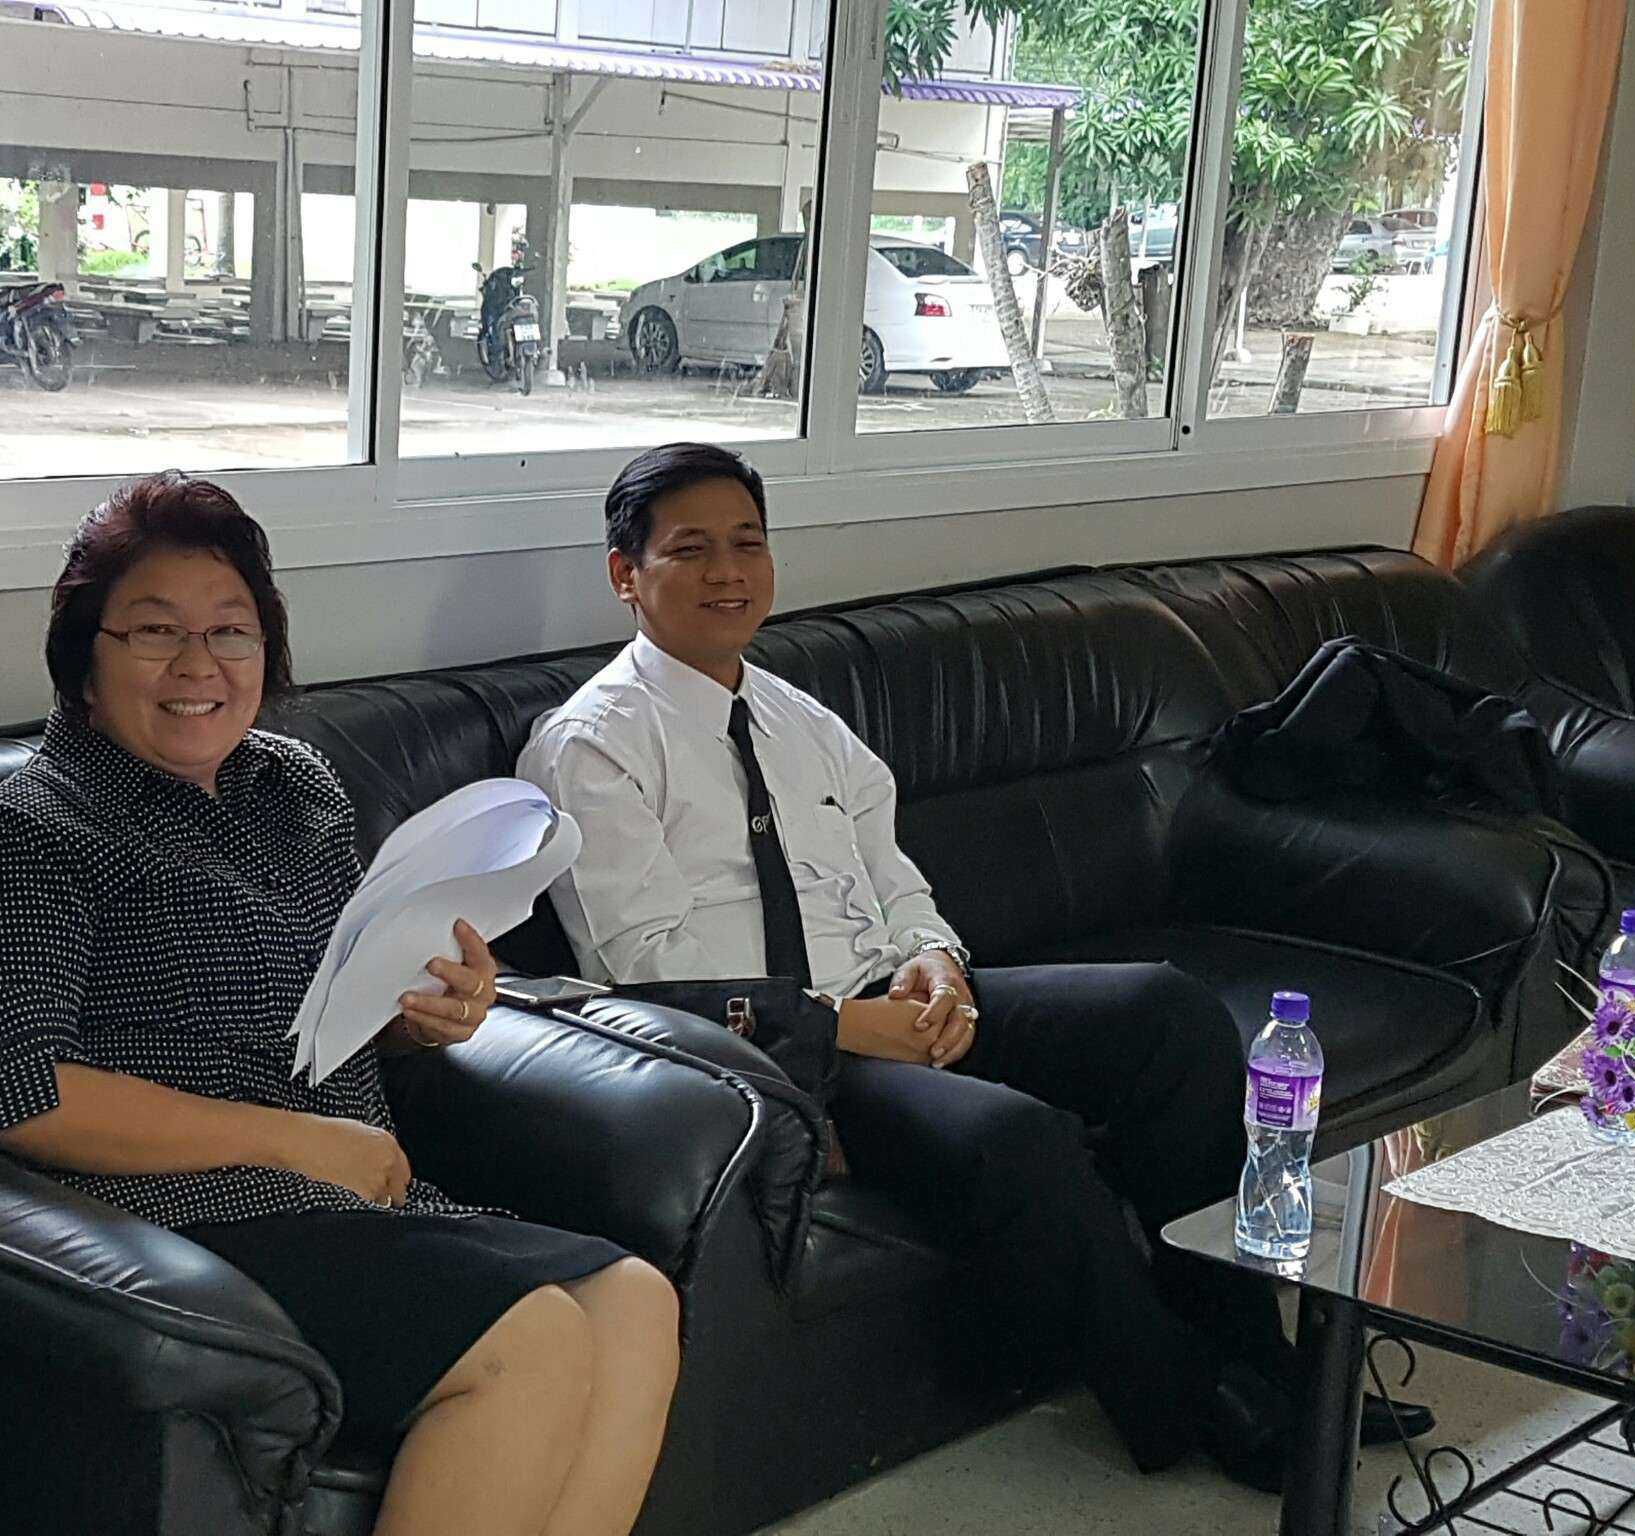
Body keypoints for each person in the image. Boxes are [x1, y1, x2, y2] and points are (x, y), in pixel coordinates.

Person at [515, 443, 1423, 1494]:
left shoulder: (801, 720)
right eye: (691, 550)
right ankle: (1192, 1402)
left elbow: (894, 877)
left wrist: (939, 966)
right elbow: (644, 969)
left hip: (893, 1003)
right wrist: (842, 1026)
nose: (729, 571)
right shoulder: (592, 746)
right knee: (1015, 1140)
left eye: (747, 544)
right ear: (625, 574)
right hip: (771, 1057)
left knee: (1168, 1013)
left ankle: (1256, 1351)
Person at [0, 471, 679, 1536]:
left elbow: (341, 1007)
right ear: (84, 659)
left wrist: (427, 1012)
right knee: (531, 1339)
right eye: (155, 631)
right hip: (184, 1219)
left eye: (231, 631)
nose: (199, 665)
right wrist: (297, 1142)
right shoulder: (24, 830)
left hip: (349, 1193)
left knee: (635, 1299)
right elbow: (19, 1095)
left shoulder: (297, 788)